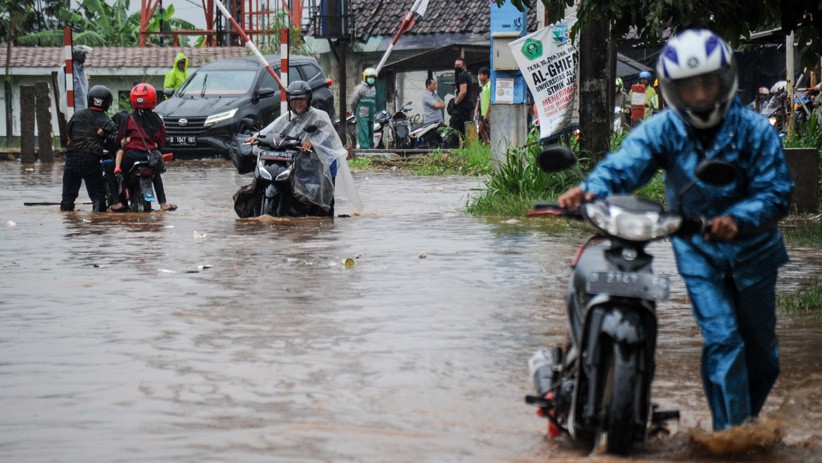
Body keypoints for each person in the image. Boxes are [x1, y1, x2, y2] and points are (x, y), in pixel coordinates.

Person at [556, 29, 794, 432]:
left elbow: (777, 191)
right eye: (688, 86)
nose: (700, 94)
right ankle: (731, 438)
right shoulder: (665, 128)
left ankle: (748, 423)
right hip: (698, 250)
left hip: (755, 251)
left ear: (725, 79)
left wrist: (738, 218)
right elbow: (628, 162)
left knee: (763, 356)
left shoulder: (756, 131)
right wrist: (590, 189)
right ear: (671, 89)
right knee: (722, 340)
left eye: (708, 82)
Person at [249, 80, 358, 216]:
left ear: (308, 100)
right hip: (301, 161)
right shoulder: (288, 117)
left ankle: (326, 227)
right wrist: (257, 137)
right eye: (294, 100)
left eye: (301, 99)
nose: (297, 103)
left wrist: (313, 142)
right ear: (289, 101)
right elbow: (273, 128)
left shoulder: (319, 116)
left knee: (323, 206)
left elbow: (327, 133)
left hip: (322, 164)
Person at [109, 83, 177, 212]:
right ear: (153, 99)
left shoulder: (129, 118)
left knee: (109, 168)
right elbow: (161, 142)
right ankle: (163, 203)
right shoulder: (158, 119)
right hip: (149, 158)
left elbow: (118, 140)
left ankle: (116, 203)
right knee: (156, 174)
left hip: (131, 158)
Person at [60, 85, 117, 212]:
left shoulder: (77, 115)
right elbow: (115, 139)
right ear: (107, 103)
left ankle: (68, 222)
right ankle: (97, 223)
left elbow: (68, 134)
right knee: (98, 197)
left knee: (68, 198)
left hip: (72, 158)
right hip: (92, 159)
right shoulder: (107, 120)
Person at [56, 45, 92, 116]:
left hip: (82, 107)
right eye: (82, 55)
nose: (85, 57)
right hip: (72, 107)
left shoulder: (81, 69)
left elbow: (83, 90)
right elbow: (71, 88)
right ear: (76, 55)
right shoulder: (68, 68)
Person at [350, 67, 377, 149]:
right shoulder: (360, 88)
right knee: (363, 129)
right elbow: (353, 101)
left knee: (371, 128)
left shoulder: (373, 88)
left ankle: (370, 146)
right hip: (363, 110)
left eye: (373, 78)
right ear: (365, 77)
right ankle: (365, 147)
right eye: (370, 77)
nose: (371, 79)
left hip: (371, 111)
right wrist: (355, 111)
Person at [450, 57, 474, 137]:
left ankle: (456, 147)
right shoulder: (467, 75)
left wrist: (455, 104)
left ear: (463, 66)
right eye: (455, 65)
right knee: (463, 131)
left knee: (454, 130)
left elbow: (463, 92)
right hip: (465, 108)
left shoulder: (463, 76)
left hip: (461, 108)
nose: (456, 67)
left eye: (458, 65)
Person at [475, 67, 491, 142]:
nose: (479, 77)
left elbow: (491, 101)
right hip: (482, 112)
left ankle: (492, 147)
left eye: (481, 75)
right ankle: (487, 145)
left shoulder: (490, 85)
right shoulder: (483, 87)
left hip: (488, 113)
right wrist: (477, 111)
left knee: (489, 129)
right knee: (481, 128)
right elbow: (479, 100)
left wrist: (487, 114)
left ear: (486, 75)